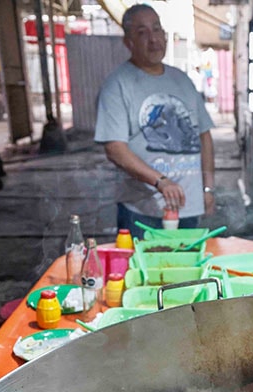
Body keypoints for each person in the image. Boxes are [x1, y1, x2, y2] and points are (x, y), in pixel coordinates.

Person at [94, 3, 216, 240]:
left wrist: (208, 189)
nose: (153, 39)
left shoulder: (182, 80)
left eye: (157, 29)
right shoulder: (117, 84)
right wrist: (161, 181)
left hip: (188, 208)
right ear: (128, 41)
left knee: (189, 274)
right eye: (142, 32)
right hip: (143, 212)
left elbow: (204, 136)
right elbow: (115, 149)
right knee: (146, 275)